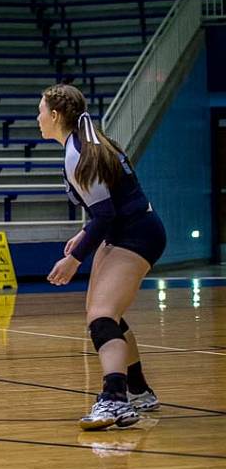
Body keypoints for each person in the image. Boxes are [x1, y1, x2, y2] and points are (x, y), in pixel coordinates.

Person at [38, 84, 164, 431]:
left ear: (55, 115)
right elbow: (107, 207)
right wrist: (85, 233)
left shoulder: (78, 150)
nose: (37, 118)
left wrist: (74, 258)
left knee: (102, 317)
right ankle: (138, 390)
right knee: (106, 315)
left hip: (136, 233)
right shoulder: (85, 142)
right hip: (125, 230)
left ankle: (115, 400)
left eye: (40, 110)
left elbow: (107, 213)